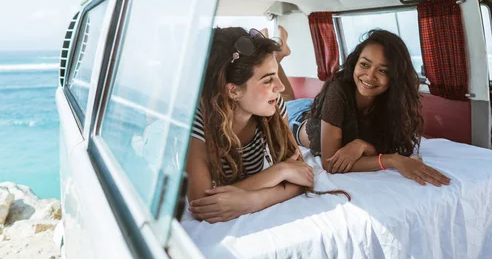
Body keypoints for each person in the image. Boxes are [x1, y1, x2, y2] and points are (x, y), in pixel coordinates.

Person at [288, 29, 451, 187]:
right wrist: (392, 160)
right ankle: (279, 56)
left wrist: (363, 145)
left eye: (382, 71)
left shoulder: (393, 102)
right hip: (296, 117)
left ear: (394, 77)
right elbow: (330, 163)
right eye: (365, 64)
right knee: (285, 99)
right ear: (355, 63)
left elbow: (395, 145)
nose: (370, 76)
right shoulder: (338, 89)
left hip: (320, 109)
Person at [185, 26, 314, 223]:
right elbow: (202, 203)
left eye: (275, 75)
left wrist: (252, 201)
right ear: (234, 91)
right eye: (268, 80)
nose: (279, 87)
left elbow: (302, 176)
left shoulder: (275, 106)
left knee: (287, 98)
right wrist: (279, 171)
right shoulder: (197, 121)